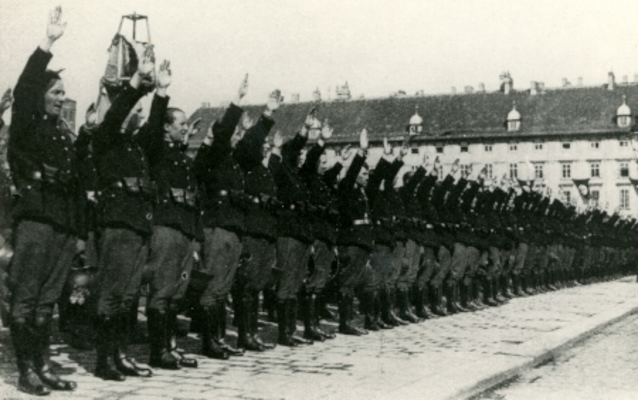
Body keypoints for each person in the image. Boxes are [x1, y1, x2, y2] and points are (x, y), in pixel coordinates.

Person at [7, 7, 80, 395]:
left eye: (63, 94)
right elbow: (23, 89)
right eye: (54, 93)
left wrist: (77, 230)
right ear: (41, 96)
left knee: (47, 301)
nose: (60, 99)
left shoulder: (63, 135)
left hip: (63, 223)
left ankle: (42, 365)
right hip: (35, 218)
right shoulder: (27, 124)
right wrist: (47, 44)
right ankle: (25, 371)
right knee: (27, 298)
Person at [91, 46, 162, 381]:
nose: (140, 115)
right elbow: (116, 114)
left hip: (136, 224)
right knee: (112, 294)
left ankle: (121, 355)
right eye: (136, 109)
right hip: (117, 222)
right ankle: (105, 360)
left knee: (129, 295)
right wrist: (134, 84)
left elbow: (155, 128)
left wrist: (160, 93)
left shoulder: (136, 145)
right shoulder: (107, 138)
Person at [143, 62, 200, 370]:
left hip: (184, 228)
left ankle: (171, 347)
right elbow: (152, 127)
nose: (185, 128)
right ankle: (158, 351)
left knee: (177, 291)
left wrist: (196, 236)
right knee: (162, 290)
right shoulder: (156, 149)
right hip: (164, 227)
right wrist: (161, 92)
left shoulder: (182, 157)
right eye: (181, 123)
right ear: (167, 126)